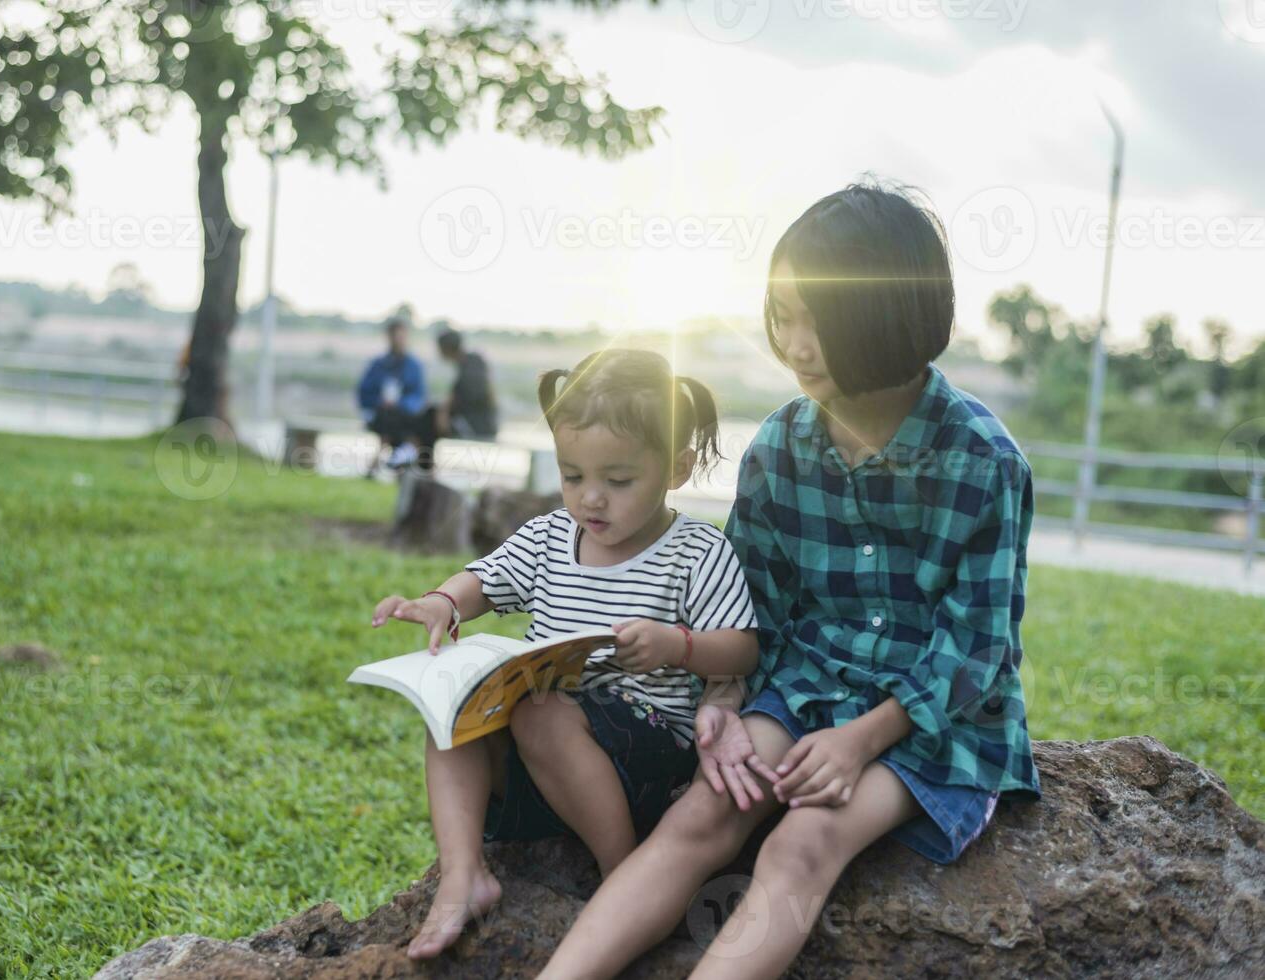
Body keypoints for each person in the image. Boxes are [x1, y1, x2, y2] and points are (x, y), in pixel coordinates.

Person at [538, 182, 1040, 979]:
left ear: (888, 317)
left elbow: (975, 649)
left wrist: (859, 739)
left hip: (932, 717)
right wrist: (723, 704)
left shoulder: (983, 460)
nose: (794, 344)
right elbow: (754, 609)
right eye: (781, 315)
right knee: (704, 814)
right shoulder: (778, 446)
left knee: (807, 839)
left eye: (817, 321)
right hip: (803, 684)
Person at [368, 348, 761, 960]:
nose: (591, 499)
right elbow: (486, 580)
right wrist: (443, 602)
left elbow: (741, 647)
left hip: (646, 753)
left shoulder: (696, 551)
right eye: (572, 476)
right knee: (454, 708)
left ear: (676, 469)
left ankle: (624, 875)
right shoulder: (551, 536)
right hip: (547, 758)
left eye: (618, 480)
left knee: (539, 713)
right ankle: (464, 873)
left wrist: (676, 647)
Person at [409, 328, 499, 471]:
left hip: (478, 424)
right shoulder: (467, 363)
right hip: (468, 419)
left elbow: (469, 395)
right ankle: (423, 465)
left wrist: (444, 411)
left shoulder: (473, 363)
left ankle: (424, 468)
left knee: (427, 419)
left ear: (446, 348)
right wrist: (443, 409)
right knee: (427, 417)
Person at [356, 318, 426, 475]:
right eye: (395, 336)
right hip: (381, 413)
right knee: (390, 418)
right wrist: (379, 402)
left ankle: (380, 463)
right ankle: (403, 453)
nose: (399, 340)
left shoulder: (414, 365)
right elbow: (363, 393)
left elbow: (418, 396)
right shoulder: (378, 364)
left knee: (396, 418)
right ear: (389, 337)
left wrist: (401, 404)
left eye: (402, 336)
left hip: (402, 415)